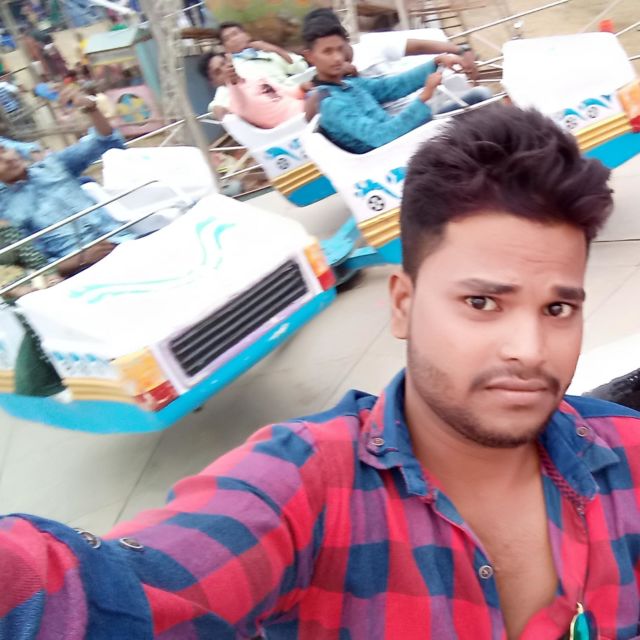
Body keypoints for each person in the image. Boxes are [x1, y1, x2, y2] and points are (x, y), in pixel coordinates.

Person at [2, 104, 639, 639]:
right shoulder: (307, 491)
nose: (529, 349)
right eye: (481, 303)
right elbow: (119, 595)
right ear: (402, 304)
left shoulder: (628, 454)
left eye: (558, 308)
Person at [303, 11, 491, 154]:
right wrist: (424, 97)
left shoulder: (349, 84)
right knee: (480, 98)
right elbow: (380, 136)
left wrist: (437, 62)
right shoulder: (330, 102)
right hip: (395, 152)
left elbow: (392, 86)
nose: (337, 58)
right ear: (310, 56)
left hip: (404, 138)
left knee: (479, 97)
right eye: (327, 52)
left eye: (339, 49)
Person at [0, 86, 134, 273]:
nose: (7, 159)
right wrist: (81, 259)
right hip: (84, 269)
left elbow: (104, 141)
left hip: (125, 241)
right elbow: (35, 265)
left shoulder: (52, 166)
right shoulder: (7, 211)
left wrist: (91, 109)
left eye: (3, 150)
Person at [208, 21, 308, 120]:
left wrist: (275, 49)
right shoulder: (232, 68)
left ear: (247, 35)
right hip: (275, 111)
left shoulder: (267, 54)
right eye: (227, 39)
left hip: (296, 97)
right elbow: (219, 101)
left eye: (235, 34)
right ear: (225, 47)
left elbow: (301, 68)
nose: (234, 39)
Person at [200, 53, 305, 129]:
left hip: (303, 109)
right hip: (294, 123)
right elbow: (235, 88)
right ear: (214, 82)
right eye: (218, 72)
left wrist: (302, 88)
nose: (224, 70)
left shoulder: (255, 79)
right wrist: (231, 80)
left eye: (223, 64)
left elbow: (287, 92)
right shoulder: (236, 102)